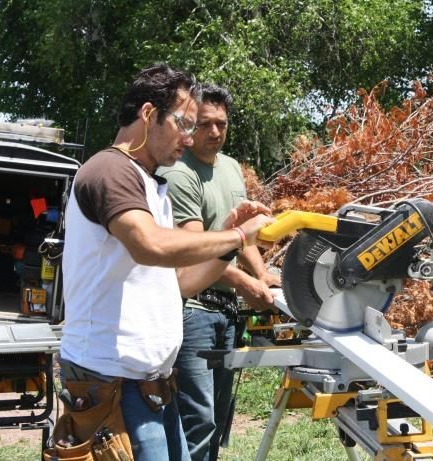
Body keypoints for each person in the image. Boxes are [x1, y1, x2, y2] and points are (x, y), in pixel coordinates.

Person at [59, 64, 274, 461]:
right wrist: (240, 237)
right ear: (147, 114)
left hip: (149, 384)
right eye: (184, 123)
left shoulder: (151, 184)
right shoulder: (110, 170)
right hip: (110, 382)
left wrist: (225, 243)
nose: (190, 137)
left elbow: (181, 283)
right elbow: (151, 246)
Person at [158, 84, 280, 461]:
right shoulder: (180, 172)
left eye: (221, 124)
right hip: (194, 309)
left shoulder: (229, 168)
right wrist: (245, 282)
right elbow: (196, 252)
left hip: (226, 312)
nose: (214, 132)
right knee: (198, 418)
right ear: (191, 125)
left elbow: (238, 238)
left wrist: (262, 275)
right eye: (205, 124)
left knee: (219, 418)